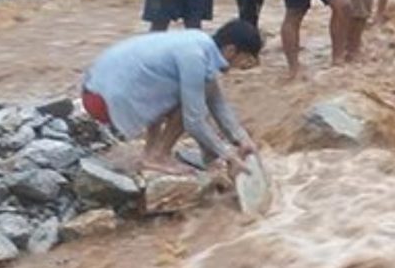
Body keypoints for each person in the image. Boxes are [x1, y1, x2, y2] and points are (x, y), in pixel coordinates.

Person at [80, 21, 265, 177]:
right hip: (103, 101)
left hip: (96, 90)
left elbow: (217, 101)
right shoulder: (195, 57)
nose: (242, 67)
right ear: (231, 50)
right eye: (245, 60)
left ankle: (151, 151)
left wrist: (241, 139)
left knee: (196, 93)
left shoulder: (199, 42)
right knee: (191, 104)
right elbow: (194, 121)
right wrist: (228, 155)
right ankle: (157, 156)